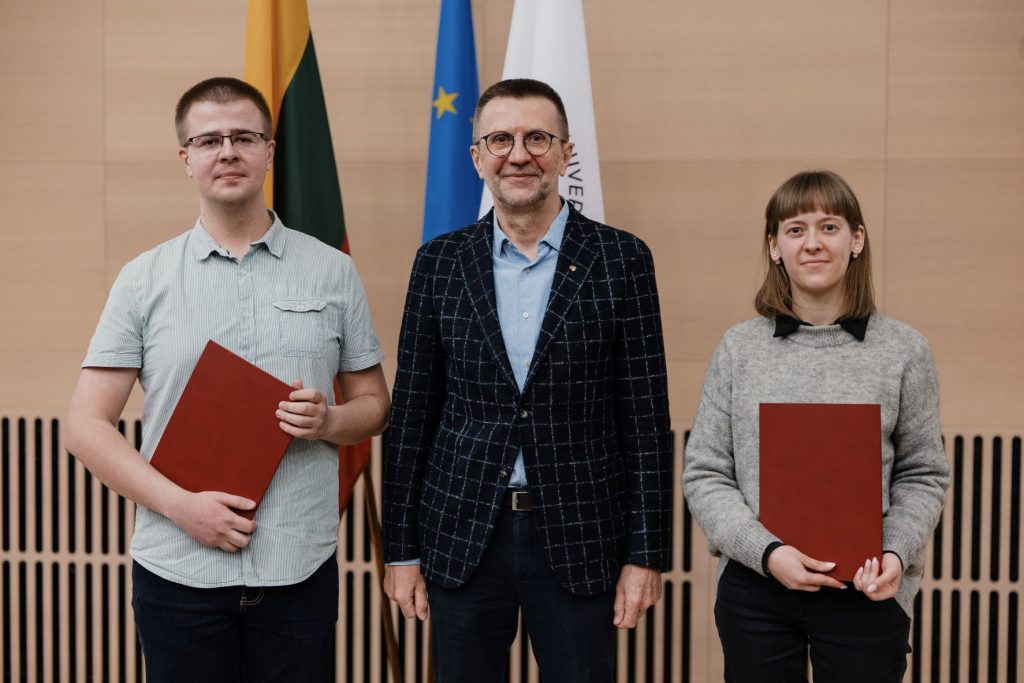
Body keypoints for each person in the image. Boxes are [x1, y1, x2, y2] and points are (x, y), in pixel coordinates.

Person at [64, 77, 389, 682]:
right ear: (186, 158)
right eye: (209, 140)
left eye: (244, 137)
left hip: (299, 569)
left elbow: (374, 404)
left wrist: (331, 420)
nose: (228, 152)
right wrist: (182, 507)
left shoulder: (332, 271)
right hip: (178, 572)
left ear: (270, 150)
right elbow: (85, 427)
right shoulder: (144, 278)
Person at [382, 78, 672, 682]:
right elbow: (411, 417)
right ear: (477, 157)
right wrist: (400, 551)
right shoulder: (438, 263)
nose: (518, 155)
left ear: (566, 154)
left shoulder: (623, 260)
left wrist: (646, 555)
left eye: (537, 138)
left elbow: (645, 422)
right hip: (462, 534)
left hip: (581, 535)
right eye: (501, 140)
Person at [682, 170, 950, 682]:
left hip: (868, 589)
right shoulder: (739, 348)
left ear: (857, 239)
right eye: (795, 229)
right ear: (775, 247)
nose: (812, 243)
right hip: (757, 589)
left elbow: (923, 474)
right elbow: (705, 472)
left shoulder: (904, 349)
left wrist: (895, 552)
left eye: (829, 227)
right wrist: (767, 553)